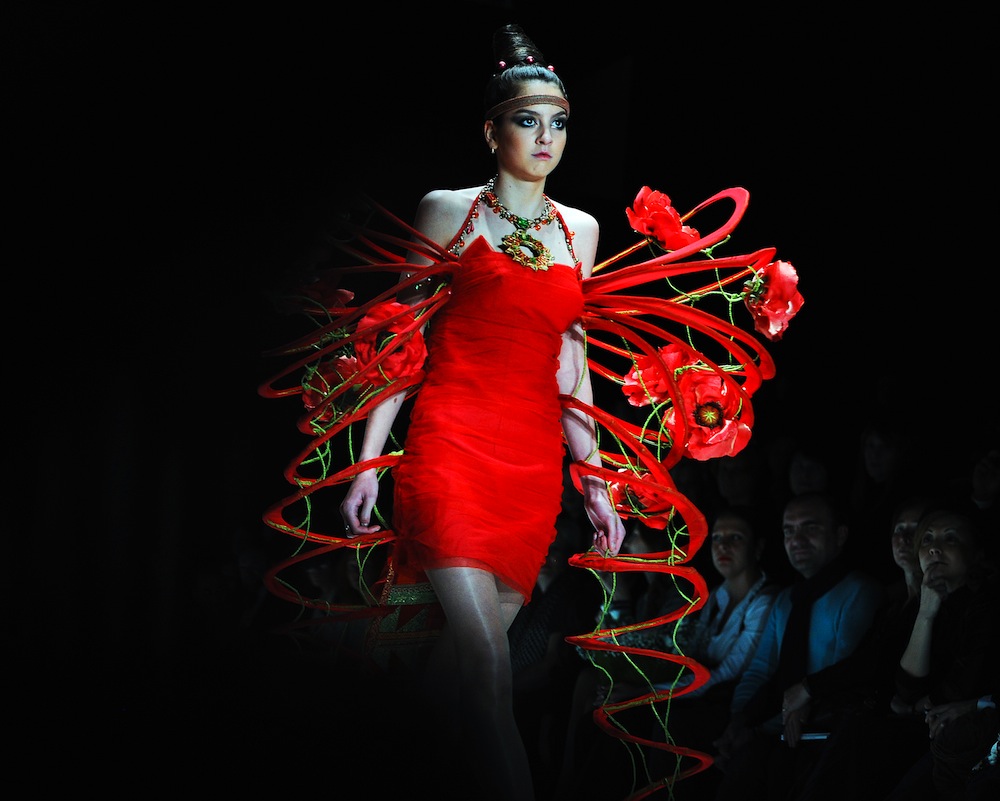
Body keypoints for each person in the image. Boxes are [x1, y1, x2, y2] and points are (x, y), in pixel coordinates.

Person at [336, 24, 626, 801]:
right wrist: (369, 458)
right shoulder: (448, 211)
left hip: (531, 469)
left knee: (455, 677)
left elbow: (574, 364)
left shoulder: (580, 231)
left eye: (559, 121)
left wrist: (593, 480)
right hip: (451, 448)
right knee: (489, 670)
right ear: (491, 129)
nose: (546, 137)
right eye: (528, 120)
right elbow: (400, 342)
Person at [711, 491, 883, 800]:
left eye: (810, 527)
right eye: (789, 530)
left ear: (840, 535)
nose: (797, 539)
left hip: (823, 728)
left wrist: (762, 727)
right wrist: (738, 721)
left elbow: (841, 672)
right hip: (777, 723)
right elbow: (760, 670)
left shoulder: (858, 591)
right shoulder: (786, 600)